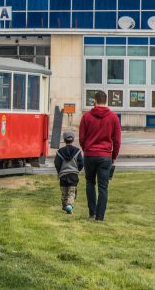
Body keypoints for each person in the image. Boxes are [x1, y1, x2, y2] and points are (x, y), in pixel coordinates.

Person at [78, 90, 122, 222]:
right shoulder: (113, 117)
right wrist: (113, 156)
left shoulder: (86, 117)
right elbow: (117, 141)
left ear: (95, 101)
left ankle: (92, 213)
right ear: (106, 101)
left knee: (90, 183)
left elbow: (81, 137)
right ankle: (100, 216)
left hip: (90, 154)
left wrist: (86, 149)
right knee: (103, 186)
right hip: (105, 156)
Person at [53, 131, 84, 215]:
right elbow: (81, 163)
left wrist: (59, 171)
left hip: (63, 175)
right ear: (73, 139)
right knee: (72, 192)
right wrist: (77, 169)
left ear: (64, 140)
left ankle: (64, 206)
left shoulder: (59, 152)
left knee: (64, 192)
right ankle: (69, 206)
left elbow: (57, 163)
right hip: (73, 174)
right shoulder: (77, 151)